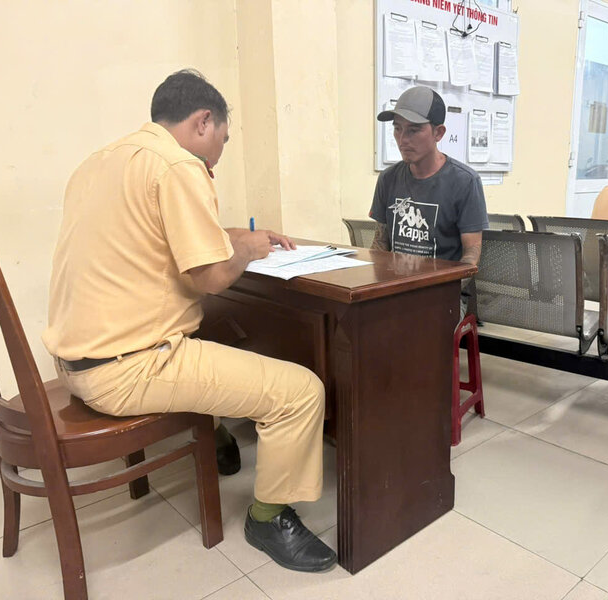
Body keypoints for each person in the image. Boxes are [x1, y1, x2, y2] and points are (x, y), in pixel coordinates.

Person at [42, 69, 336, 573]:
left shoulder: (103, 162)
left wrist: (244, 235)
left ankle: (218, 434)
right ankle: (268, 517)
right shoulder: (178, 164)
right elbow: (212, 277)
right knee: (301, 391)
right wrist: (246, 249)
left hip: (76, 359)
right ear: (204, 121)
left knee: (221, 332)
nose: (215, 161)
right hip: (128, 369)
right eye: (219, 143)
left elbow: (161, 229)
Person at [369, 86, 488, 317]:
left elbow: (471, 255)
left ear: (438, 133)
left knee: (413, 327)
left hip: (443, 296)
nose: (402, 139)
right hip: (396, 289)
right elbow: (380, 244)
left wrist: (442, 291)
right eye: (397, 129)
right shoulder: (388, 179)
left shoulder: (465, 182)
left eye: (413, 130)